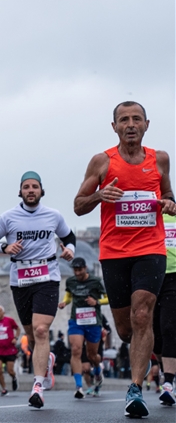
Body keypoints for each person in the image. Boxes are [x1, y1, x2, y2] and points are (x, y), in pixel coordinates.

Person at [74, 101, 175, 418]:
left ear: (146, 124)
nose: (130, 124)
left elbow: (168, 193)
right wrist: (98, 196)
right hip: (114, 253)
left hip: (151, 248)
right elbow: (78, 205)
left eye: (136, 119)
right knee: (127, 330)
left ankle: (136, 389)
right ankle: (154, 355)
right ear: (114, 126)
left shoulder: (159, 159)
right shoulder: (102, 162)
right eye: (123, 120)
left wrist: (170, 203)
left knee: (143, 312)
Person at [0, 171, 76, 409]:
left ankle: (37, 386)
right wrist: (5, 247)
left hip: (47, 276)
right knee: (33, 336)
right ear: (20, 192)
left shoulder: (53, 215)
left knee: (42, 329)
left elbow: (69, 236)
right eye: (26, 187)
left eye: (35, 186)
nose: (31, 190)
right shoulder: (8, 217)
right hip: (20, 279)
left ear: (41, 191)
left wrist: (70, 250)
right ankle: (47, 360)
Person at [58, 257, 108, 399]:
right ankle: (79, 387)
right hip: (76, 320)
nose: (77, 273)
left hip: (93, 321)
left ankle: (98, 370)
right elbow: (68, 296)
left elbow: (108, 298)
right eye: (75, 270)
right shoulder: (71, 281)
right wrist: (64, 303)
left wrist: (96, 301)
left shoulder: (96, 281)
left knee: (92, 355)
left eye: (80, 270)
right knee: (75, 350)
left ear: (85, 268)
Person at [153, 212, 175, 406]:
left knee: (169, 328)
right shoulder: (150, 216)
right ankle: (163, 367)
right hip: (151, 274)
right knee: (154, 335)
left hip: (173, 276)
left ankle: (168, 382)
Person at [0, 305, 20, 396]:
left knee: (10, 370)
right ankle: (4, 388)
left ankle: (14, 377)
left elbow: (17, 328)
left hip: (10, 349)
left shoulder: (9, 320)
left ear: (3, 312)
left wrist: (16, 338)